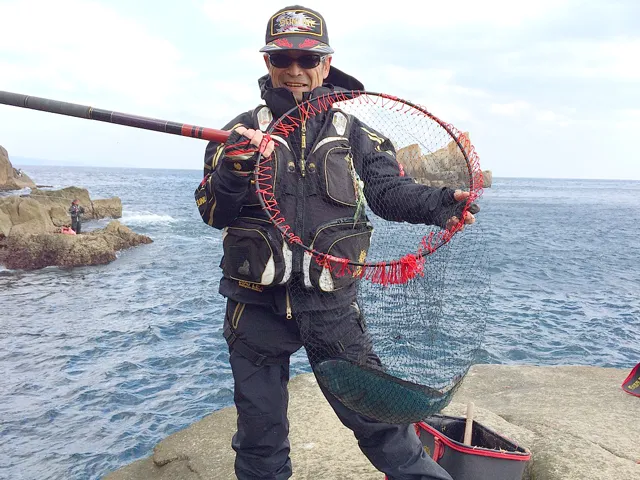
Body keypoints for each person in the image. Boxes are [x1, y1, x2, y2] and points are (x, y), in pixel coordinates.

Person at [194, 5, 476, 479]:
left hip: (333, 310)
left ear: (326, 65)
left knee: (383, 426)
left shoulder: (357, 135)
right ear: (268, 63)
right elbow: (211, 212)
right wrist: (232, 172)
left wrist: (443, 203)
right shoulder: (235, 133)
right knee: (259, 439)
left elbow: (389, 193)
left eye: (309, 60)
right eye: (283, 58)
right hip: (254, 310)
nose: (296, 71)